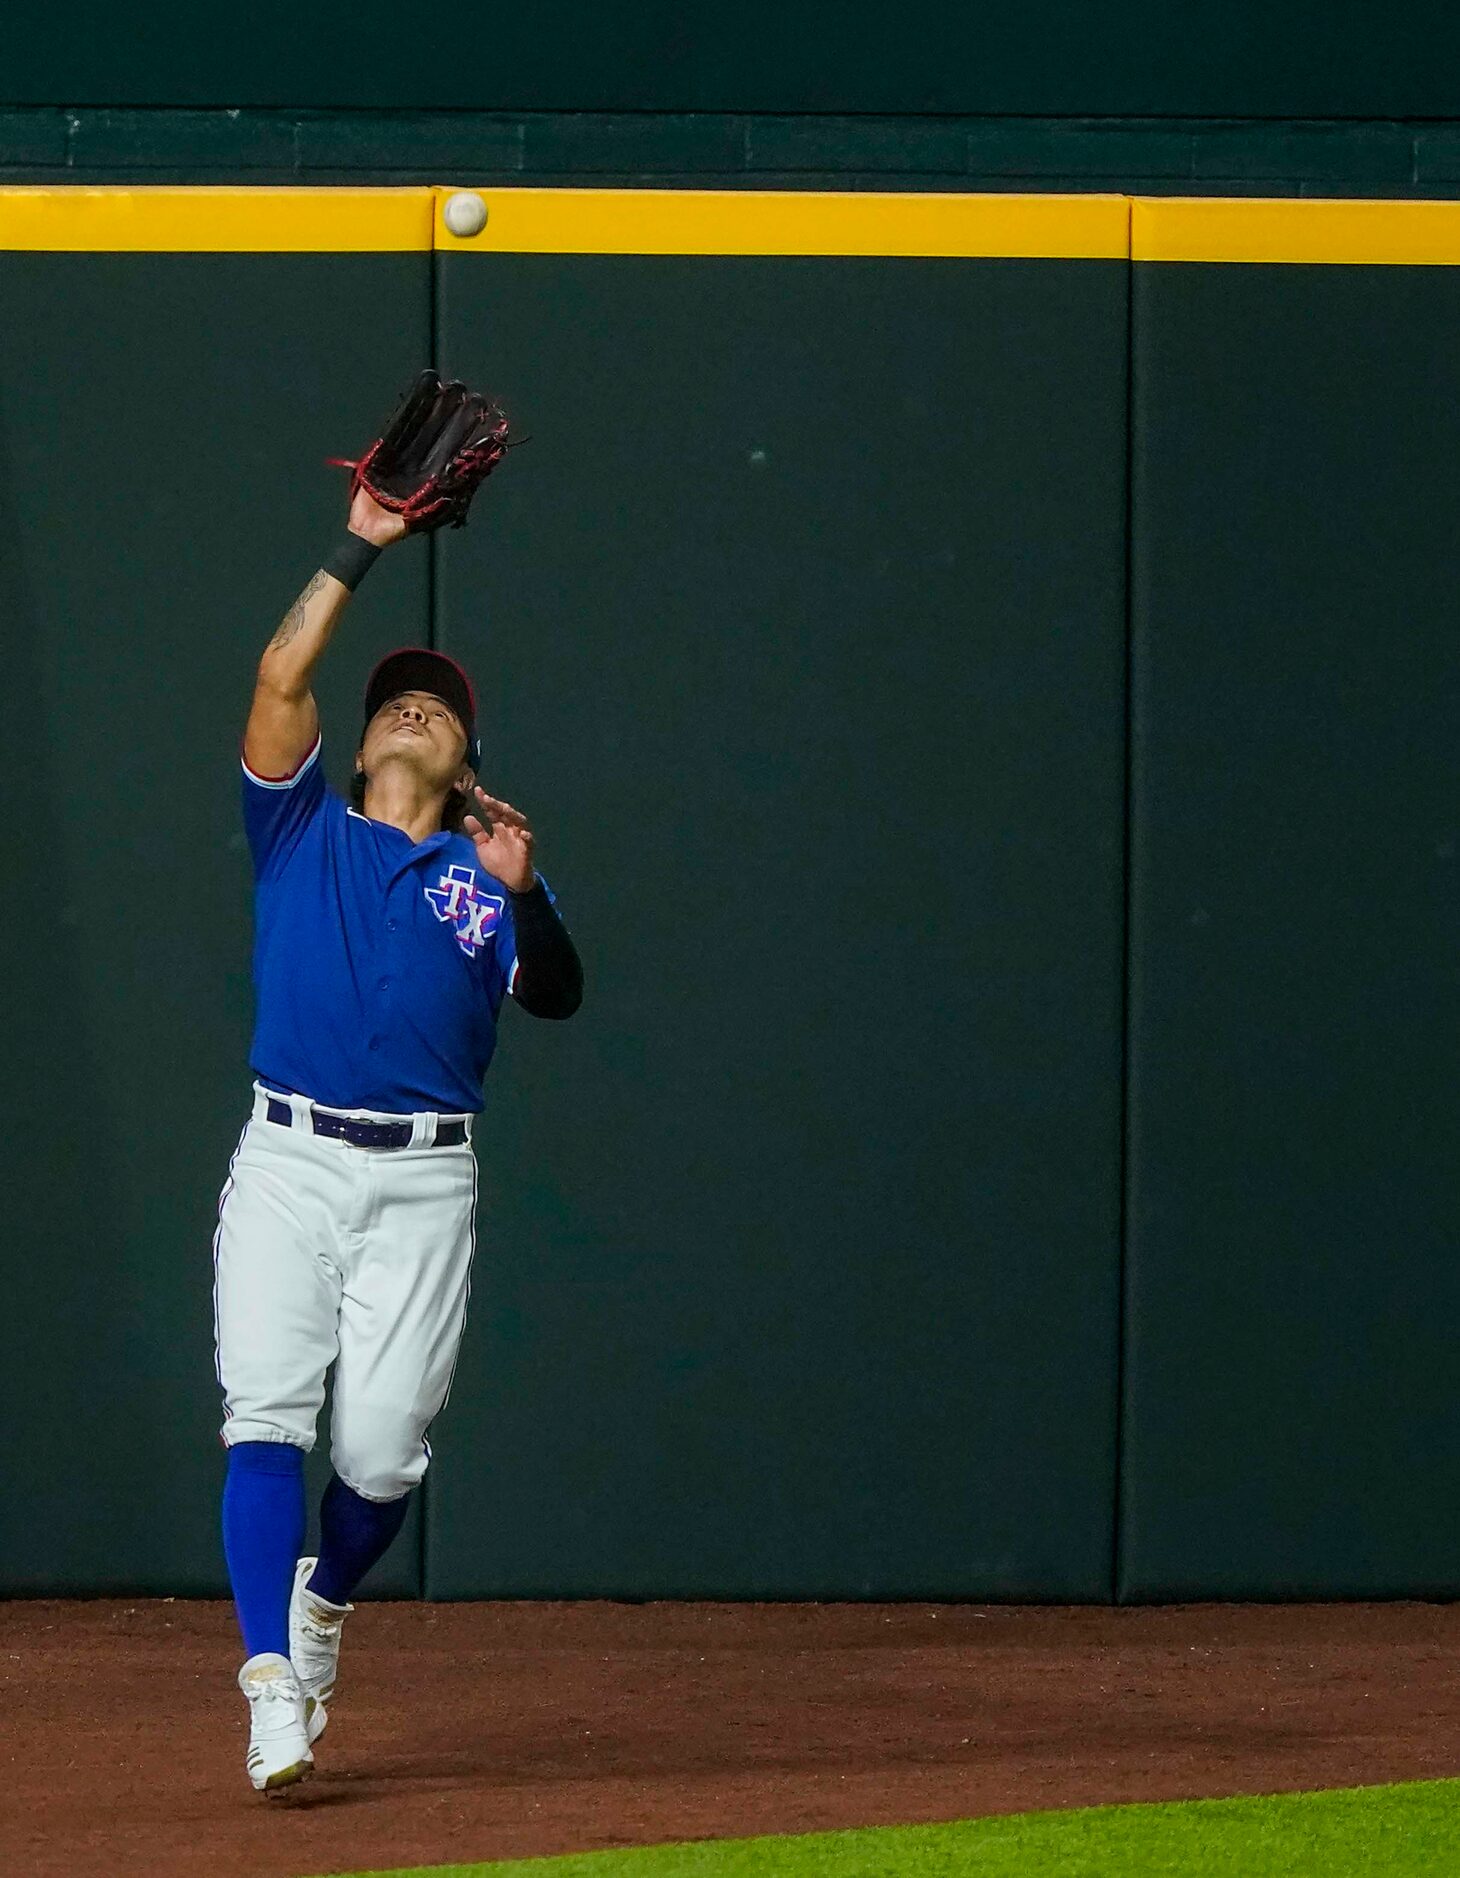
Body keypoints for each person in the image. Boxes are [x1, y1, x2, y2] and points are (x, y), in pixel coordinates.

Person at [213, 486, 582, 1792]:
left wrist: (526, 897)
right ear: (360, 744)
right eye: (395, 701)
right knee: (263, 1411)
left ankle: (324, 1605)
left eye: (439, 705)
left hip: (423, 1180)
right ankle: (270, 1680)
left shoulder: (481, 885)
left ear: (466, 760)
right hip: (288, 1160)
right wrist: (362, 535)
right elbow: (278, 669)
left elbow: (556, 991)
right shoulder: (299, 829)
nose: (413, 708)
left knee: (377, 1455)